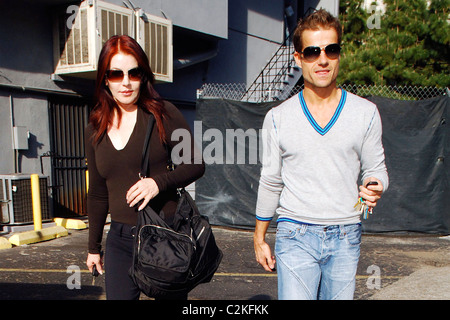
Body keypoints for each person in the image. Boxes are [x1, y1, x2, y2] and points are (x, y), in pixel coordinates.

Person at [253, 9, 389, 300]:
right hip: (294, 235)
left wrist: (375, 186)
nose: (323, 59)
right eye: (313, 51)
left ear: (339, 53)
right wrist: (259, 236)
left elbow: (376, 169)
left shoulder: (365, 113)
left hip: (345, 235)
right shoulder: (278, 118)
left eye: (331, 49)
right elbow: (271, 180)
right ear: (298, 58)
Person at [85, 35, 205, 300]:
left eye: (134, 72)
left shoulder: (163, 114)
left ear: (144, 76)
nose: (126, 82)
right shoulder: (94, 129)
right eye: (116, 74)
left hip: (164, 236)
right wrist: (93, 247)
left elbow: (196, 163)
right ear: (105, 79)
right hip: (120, 241)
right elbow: (97, 193)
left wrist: (157, 183)